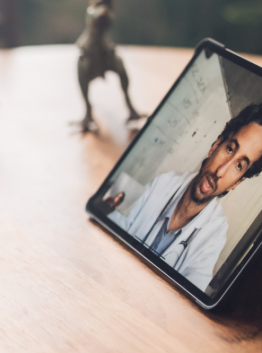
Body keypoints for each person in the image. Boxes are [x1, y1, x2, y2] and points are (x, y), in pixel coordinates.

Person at [109, 104, 262, 291]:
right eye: (230, 149)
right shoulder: (163, 183)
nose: (220, 171)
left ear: (236, 183)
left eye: (239, 166)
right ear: (215, 146)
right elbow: (116, 228)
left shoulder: (215, 235)